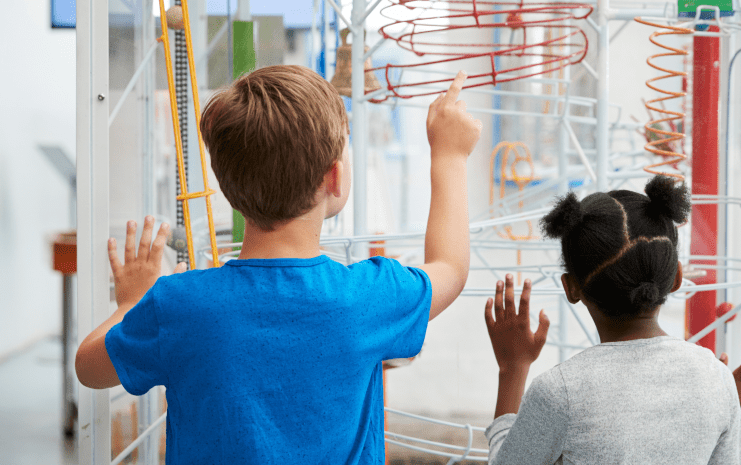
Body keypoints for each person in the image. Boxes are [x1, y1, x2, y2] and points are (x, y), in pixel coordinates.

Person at [74, 66, 481, 464]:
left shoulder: (178, 305)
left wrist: (131, 302)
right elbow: (449, 266)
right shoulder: (366, 297)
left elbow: (89, 369)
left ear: (228, 186)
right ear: (335, 177)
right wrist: (450, 155)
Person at [483, 175, 741, 464]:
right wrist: (728, 409)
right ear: (676, 278)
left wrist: (512, 368)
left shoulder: (560, 392)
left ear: (571, 287)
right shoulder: (716, 379)